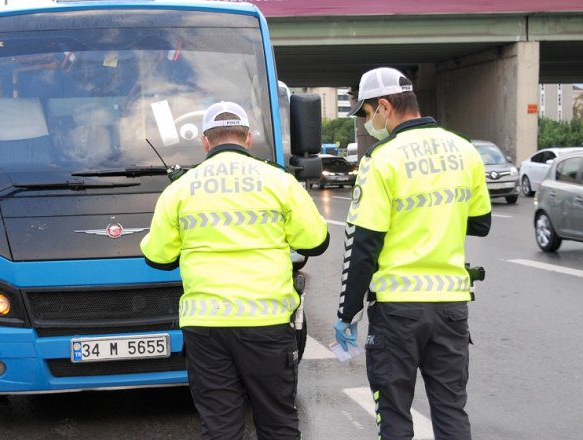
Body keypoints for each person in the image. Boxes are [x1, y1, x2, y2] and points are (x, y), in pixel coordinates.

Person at [141, 101, 329, 440]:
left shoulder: (180, 189)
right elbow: (316, 242)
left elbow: (157, 257)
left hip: (206, 327)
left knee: (220, 428)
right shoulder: (279, 182)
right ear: (248, 138)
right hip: (266, 324)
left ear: (205, 141)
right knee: (278, 424)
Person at [333, 67, 492, 440]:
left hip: (398, 310)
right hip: (451, 307)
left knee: (394, 414)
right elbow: (480, 222)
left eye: (367, 113)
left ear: (385, 106)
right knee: (451, 410)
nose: (368, 122)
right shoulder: (463, 149)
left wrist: (347, 312)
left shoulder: (381, 159)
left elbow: (363, 243)